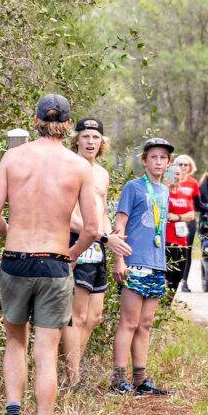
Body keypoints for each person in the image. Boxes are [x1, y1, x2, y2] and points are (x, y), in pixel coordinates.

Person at [0, 94, 99, 415]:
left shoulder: (13, 157)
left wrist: (14, 236)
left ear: (35, 119)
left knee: (15, 343)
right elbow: (93, 229)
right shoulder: (79, 166)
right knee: (46, 353)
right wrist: (70, 256)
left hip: (16, 260)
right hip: (53, 262)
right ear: (68, 125)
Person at [60, 117, 132, 389]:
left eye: (96, 138)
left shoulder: (102, 174)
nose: (91, 142)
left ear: (103, 142)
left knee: (94, 317)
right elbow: (63, 214)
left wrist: (115, 252)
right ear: (76, 139)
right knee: (76, 315)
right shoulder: (67, 167)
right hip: (75, 243)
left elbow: (102, 213)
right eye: (86, 136)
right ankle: (73, 377)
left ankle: (70, 370)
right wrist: (95, 234)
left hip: (99, 246)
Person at [110, 137, 176, 397]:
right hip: (134, 262)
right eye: (153, 157)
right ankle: (118, 379)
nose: (158, 161)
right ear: (145, 160)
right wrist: (119, 259)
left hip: (156, 263)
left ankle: (140, 378)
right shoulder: (134, 187)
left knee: (145, 323)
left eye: (163, 157)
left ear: (168, 162)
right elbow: (120, 225)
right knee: (129, 321)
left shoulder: (165, 191)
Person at [165, 156, 200, 292]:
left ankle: (167, 304)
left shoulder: (183, 194)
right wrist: (180, 217)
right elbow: (164, 215)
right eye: (173, 173)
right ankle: (161, 305)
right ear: (166, 174)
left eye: (178, 174)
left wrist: (177, 216)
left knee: (178, 274)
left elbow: (191, 215)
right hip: (167, 240)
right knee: (167, 273)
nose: (176, 176)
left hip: (182, 239)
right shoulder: (163, 193)